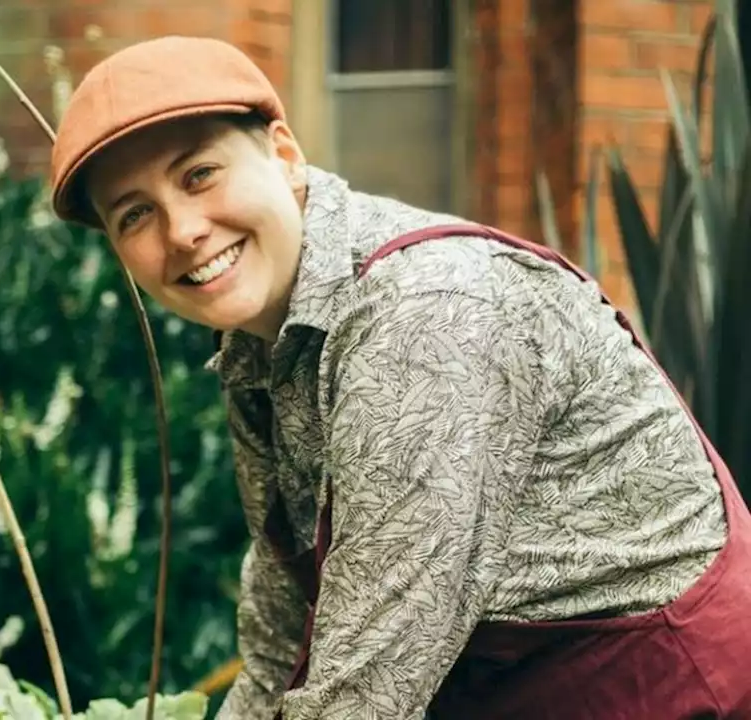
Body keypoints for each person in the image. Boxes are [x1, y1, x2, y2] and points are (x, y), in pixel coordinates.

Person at [46, 35, 751, 720]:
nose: (181, 231)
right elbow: (279, 649)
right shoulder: (262, 347)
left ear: (285, 156)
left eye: (199, 174)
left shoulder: (428, 315)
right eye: (135, 213)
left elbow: (364, 691)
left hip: (670, 693)